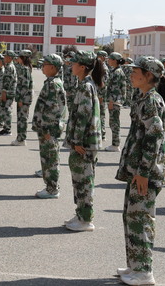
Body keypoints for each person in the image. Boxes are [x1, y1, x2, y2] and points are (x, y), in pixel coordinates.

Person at [115, 56, 165, 286]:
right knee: (131, 216)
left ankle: (144, 272)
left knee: (141, 219)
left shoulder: (151, 100)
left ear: (148, 75)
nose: (131, 74)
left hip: (146, 171)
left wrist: (144, 171)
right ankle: (135, 265)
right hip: (139, 169)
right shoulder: (144, 97)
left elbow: (154, 137)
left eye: (135, 71)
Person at [64, 50, 103, 232]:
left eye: (74, 63)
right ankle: (81, 213)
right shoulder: (85, 84)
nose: (71, 66)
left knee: (84, 180)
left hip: (84, 142)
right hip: (82, 141)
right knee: (79, 179)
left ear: (82, 67)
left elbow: (84, 115)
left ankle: (86, 219)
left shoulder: (86, 86)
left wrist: (77, 140)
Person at [32, 54, 68, 199]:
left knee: (50, 158)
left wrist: (47, 130)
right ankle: (50, 186)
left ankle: (52, 189)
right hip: (46, 128)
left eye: (45, 64)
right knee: (48, 158)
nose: (42, 66)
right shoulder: (52, 82)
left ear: (53, 67)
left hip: (49, 129)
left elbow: (53, 110)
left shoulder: (53, 84)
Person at [105, 52, 128, 151]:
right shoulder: (115, 70)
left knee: (114, 123)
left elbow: (114, 89)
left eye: (110, 59)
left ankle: (115, 144)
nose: (108, 60)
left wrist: (111, 102)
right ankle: (115, 143)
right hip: (115, 100)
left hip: (114, 101)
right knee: (114, 122)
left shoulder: (117, 72)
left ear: (114, 60)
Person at [11, 50, 33, 146]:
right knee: (21, 118)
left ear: (23, 58)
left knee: (22, 119)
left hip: (24, 98)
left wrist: (20, 99)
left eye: (19, 57)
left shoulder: (25, 69)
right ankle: (20, 138)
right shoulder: (25, 68)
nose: (17, 58)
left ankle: (21, 139)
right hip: (24, 98)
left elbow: (25, 86)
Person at [0, 50, 17, 136]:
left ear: (10, 57)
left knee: (7, 109)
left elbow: (7, 81)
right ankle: (5, 127)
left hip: (9, 92)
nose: (4, 58)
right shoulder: (9, 66)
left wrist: (4, 92)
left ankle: (8, 129)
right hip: (8, 91)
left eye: (5, 56)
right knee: (5, 109)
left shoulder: (10, 67)